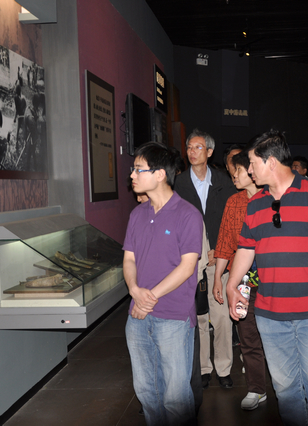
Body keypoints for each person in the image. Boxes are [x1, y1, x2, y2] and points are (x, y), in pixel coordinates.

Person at [227, 130, 308, 425]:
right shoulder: (255, 204)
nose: (249, 171)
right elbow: (245, 248)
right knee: (286, 391)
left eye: (252, 163)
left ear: (271, 162)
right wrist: (231, 284)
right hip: (270, 314)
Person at [124, 142, 203, 426]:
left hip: (173, 316)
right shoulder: (137, 214)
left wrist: (149, 297)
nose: (132, 175)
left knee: (176, 397)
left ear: (159, 174)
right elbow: (129, 259)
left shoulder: (188, 214)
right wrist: (134, 291)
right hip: (138, 316)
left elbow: (187, 267)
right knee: (147, 392)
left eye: (138, 169)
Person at [174, 129, 237, 390]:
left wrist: (219, 250)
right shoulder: (179, 183)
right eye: (189, 147)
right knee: (198, 316)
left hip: (219, 257)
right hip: (190, 258)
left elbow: (231, 222)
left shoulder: (223, 181)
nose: (192, 152)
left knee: (221, 316)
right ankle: (202, 368)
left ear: (209, 152)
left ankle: (224, 368)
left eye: (198, 147)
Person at [214, 150, 267, 410]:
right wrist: (218, 278)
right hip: (242, 282)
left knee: (274, 336)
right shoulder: (233, 202)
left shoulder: (272, 199)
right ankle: (257, 389)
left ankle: (286, 386)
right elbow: (225, 242)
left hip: (271, 281)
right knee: (247, 336)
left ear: (252, 171)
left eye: (238, 170)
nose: (233, 175)